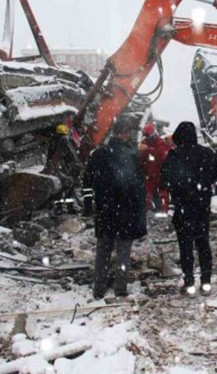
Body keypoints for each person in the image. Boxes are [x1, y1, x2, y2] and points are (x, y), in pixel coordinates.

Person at [83, 117, 147, 300]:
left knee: (103, 250)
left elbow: (87, 181)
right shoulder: (131, 155)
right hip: (125, 212)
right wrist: (139, 215)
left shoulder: (99, 154)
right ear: (125, 133)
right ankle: (120, 288)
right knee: (123, 252)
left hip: (105, 211)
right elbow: (138, 187)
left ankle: (99, 287)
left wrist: (88, 205)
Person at [161, 122, 216, 297]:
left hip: (183, 208)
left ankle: (189, 283)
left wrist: (179, 189)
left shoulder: (174, 156)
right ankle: (206, 283)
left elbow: (165, 181)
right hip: (202, 208)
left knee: (185, 248)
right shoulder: (206, 154)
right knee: (203, 245)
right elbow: (216, 175)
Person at [139, 123, 172, 213]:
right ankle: (148, 213)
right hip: (150, 175)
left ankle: (163, 213)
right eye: (145, 135)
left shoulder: (160, 142)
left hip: (161, 174)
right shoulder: (144, 143)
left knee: (163, 195)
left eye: (147, 135)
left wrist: (148, 150)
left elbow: (162, 156)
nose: (146, 137)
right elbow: (141, 160)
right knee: (147, 195)